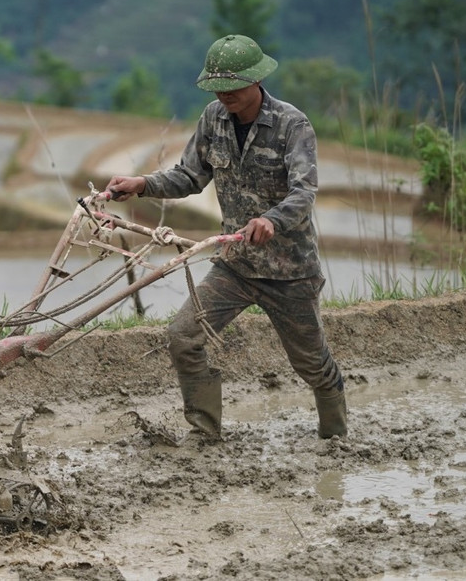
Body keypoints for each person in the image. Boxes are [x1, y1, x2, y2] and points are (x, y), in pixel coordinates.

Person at [105, 34, 347, 439]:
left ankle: (336, 437)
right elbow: (189, 176)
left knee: (311, 364)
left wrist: (271, 220)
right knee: (183, 336)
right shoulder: (213, 118)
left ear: (257, 79)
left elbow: (303, 192)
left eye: (232, 85)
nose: (224, 94)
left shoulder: (292, 124)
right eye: (217, 86)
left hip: (289, 272)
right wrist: (142, 184)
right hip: (234, 265)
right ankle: (205, 433)